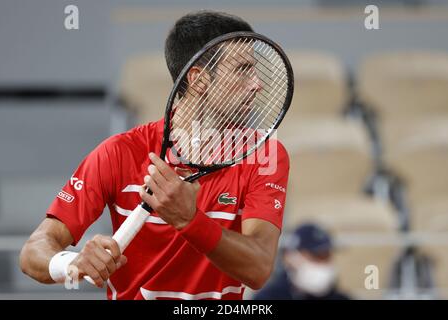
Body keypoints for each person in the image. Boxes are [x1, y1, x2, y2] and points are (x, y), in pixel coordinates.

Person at [19, 10, 290, 300]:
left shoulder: (264, 155)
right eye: (243, 70)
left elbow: (259, 268)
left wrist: (190, 220)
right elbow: (33, 252)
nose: (257, 84)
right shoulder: (118, 153)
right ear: (199, 80)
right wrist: (71, 263)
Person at [254, 223, 350, 300]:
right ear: (289, 257)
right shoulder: (267, 298)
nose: (322, 263)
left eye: (326, 256)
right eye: (316, 256)